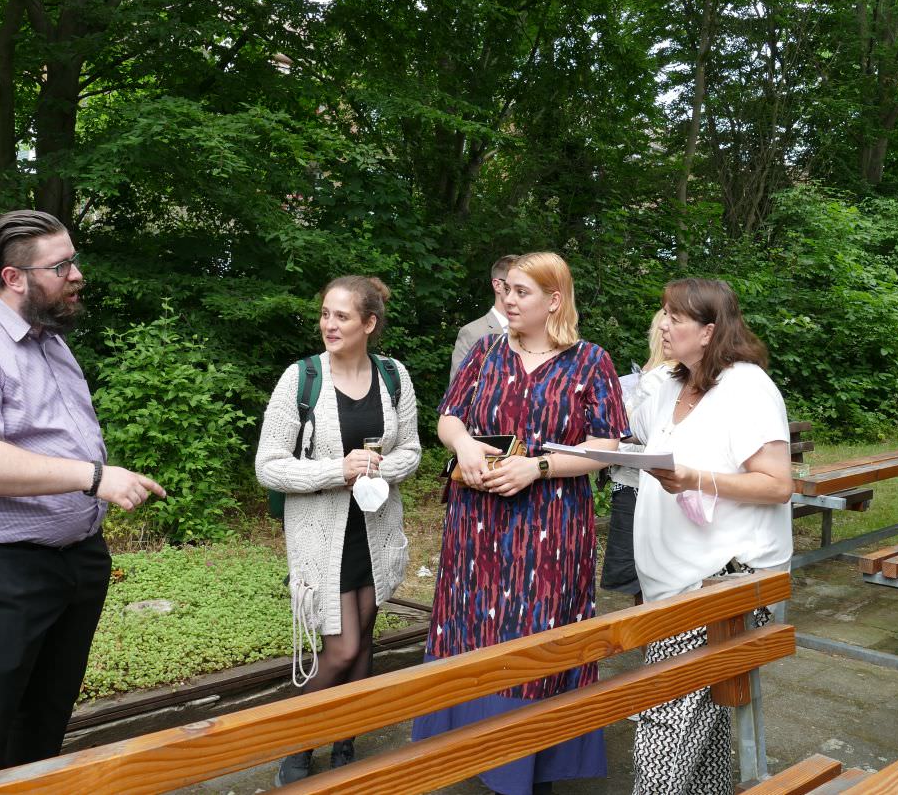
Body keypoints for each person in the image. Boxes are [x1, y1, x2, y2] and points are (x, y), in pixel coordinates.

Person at [0, 210, 166, 785]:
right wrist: (94, 478)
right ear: (14, 277)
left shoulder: (48, 340)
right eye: (61, 265)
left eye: (74, 259)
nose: (77, 274)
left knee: (41, 727)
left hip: (72, 563)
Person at [413, 252, 628, 795]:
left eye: (521, 292)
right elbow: (448, 416)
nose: (508, 300)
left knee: (538, 635)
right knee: (473, 627)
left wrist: (538, 467)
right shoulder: (485, 351)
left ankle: (532, 766)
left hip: (552, 525)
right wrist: (464, 445)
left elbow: (606, 445)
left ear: (554, 300)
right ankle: (468, 751)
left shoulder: (590, 361)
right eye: (506, 289)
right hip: (477, 522)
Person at [628, 278, 794, 795]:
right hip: (671, 585)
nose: (662, 325)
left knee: (663, 725)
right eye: (663, 313)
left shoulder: (746, 388)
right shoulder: (671, 386)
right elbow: (632, 433)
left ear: (708, 331)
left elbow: (777, 484)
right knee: (705, 729)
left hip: (724, 582)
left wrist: (694, 479)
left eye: (674, 317)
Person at [256, 275, 420, 784]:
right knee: (343, 648)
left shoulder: (394, 376)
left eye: (342, 316)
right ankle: (297, 744)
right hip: (321, 536)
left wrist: (378, 467)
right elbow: (268, 465)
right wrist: (338, 470)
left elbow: (411, 450)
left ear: (368, 324)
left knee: (364, 640)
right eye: (325, 314)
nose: (329, 324)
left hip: (374, 529)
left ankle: (345, 740)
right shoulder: (300, 378)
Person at [600, 309, 675, 602]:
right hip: (662, 485)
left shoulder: (657, 378)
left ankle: (650, 629)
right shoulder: (679, 376)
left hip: (638, 484)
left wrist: (610, 443)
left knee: (640, 577)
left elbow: (629, 433)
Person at [450, 254, 519, 382]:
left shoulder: (535, 331)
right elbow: (458, 388)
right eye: (516, 285)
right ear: (497, 285)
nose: (522, 291)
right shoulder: (473, 333)